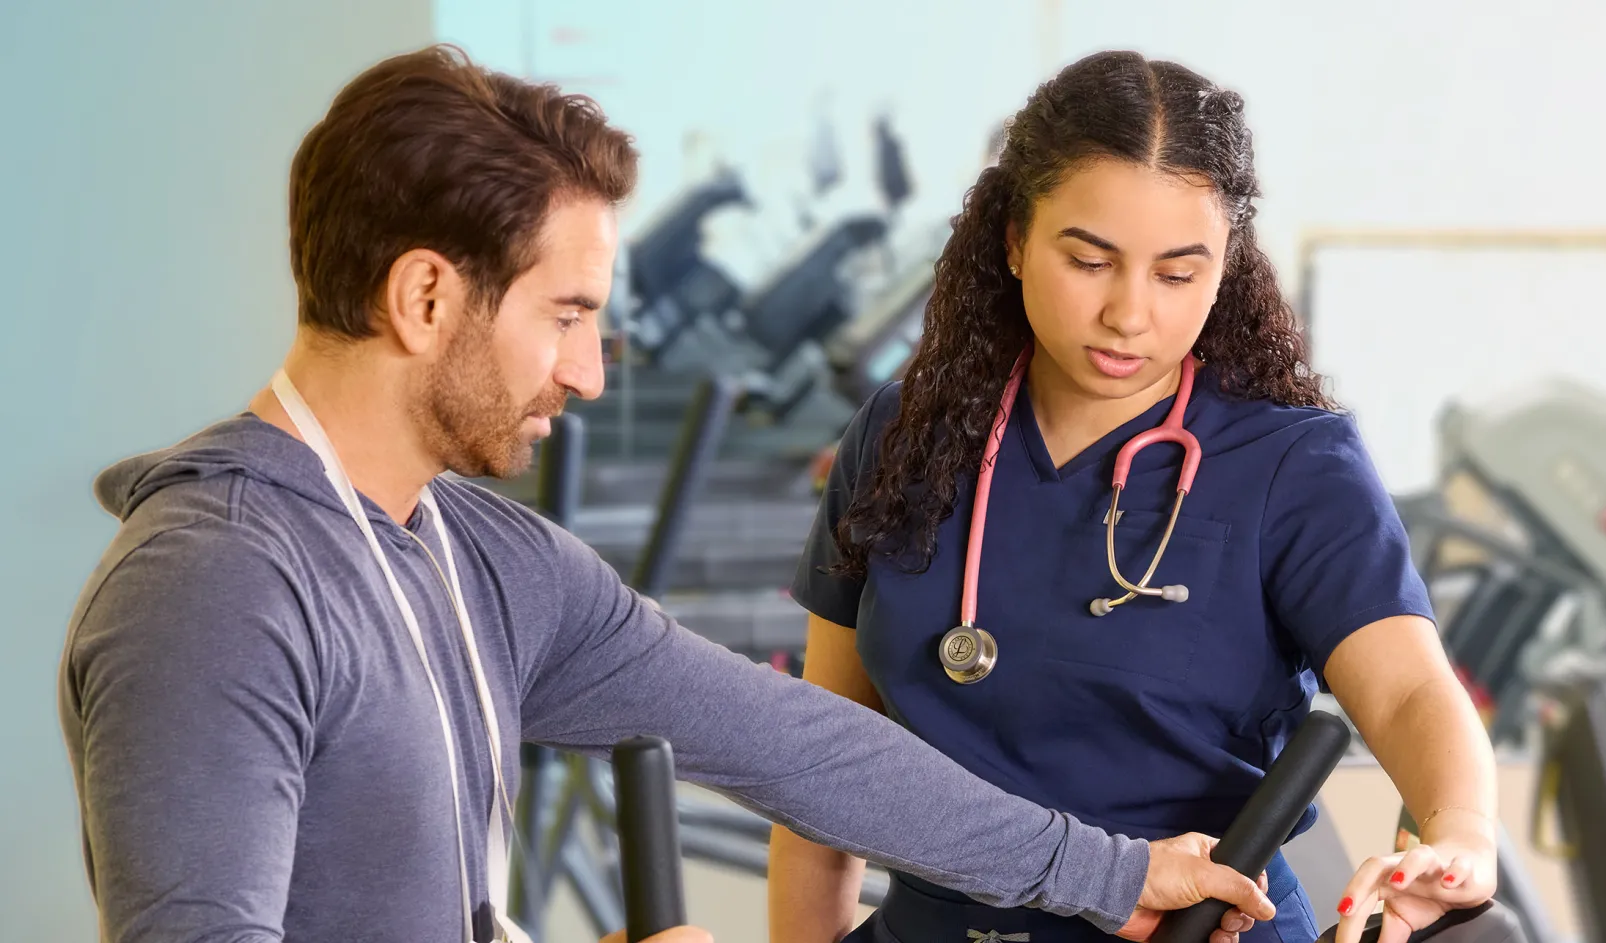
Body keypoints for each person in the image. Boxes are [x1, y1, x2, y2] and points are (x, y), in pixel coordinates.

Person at [54, 45, 1274, 943]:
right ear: (426, 299)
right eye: (567, 316)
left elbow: (797, 747)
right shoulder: (216, 586)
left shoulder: (477, 556)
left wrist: (1108, 872)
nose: (588, 372)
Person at [769, 50, 1504, 943]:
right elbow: (827, 758)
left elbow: (1407, 691)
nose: (1129, 313)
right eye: (1090, 260)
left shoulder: (1292, 463)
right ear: (1014, 240)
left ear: (1224, 264)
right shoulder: (903, 433)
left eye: (1176, 273)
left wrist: (1461, 835)